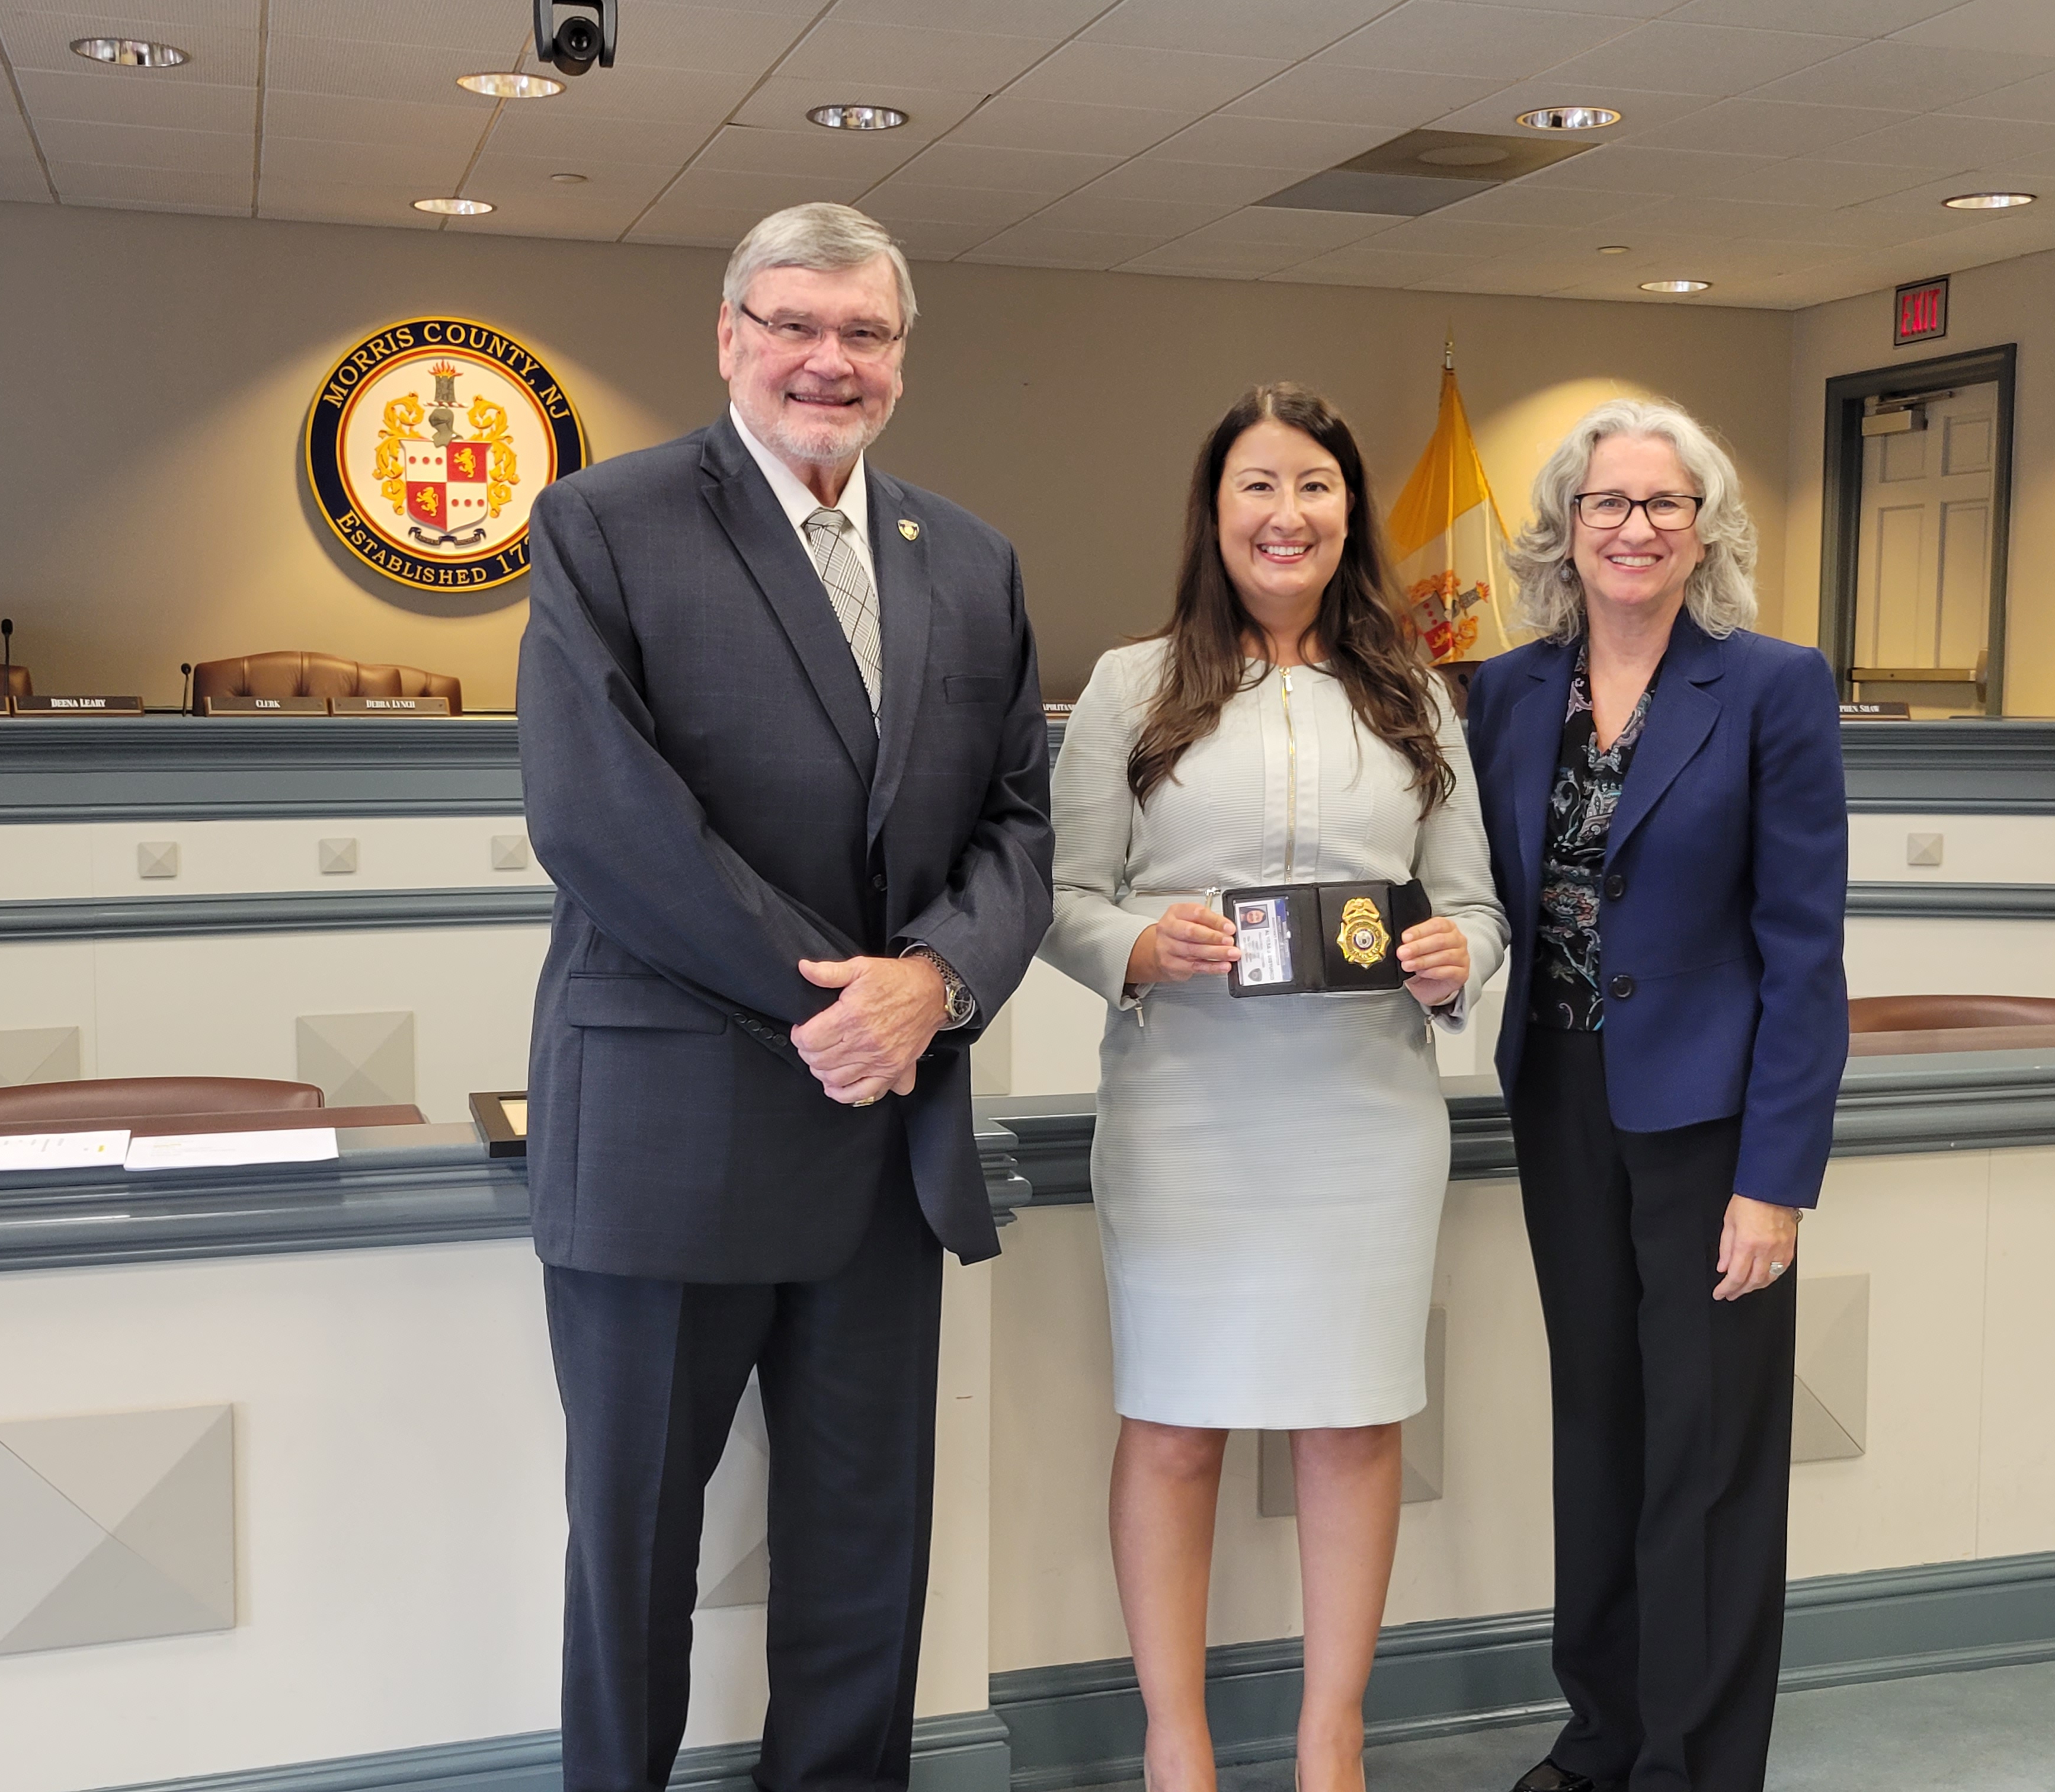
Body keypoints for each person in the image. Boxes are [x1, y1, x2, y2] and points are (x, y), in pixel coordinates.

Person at [517, 203, 1053, 1792]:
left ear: (900, 356)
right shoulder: (605, 525)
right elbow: (604, 819)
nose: (831, 361)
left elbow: (1019, 823)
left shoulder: (967, 558)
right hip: (672, 1142)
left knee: (863, 1571)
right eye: (797, 325)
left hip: (885, 1153)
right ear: (732, 335)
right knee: (635, 1572)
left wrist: (937, 985)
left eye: (865, 333)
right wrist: (846, 1003)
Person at [1040, 383, 1509, 1792]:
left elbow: (1480, 908)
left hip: (1366, 1114)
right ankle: (1175, 1748)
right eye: (1258, 486)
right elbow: (1061, 899)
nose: (1286, 514)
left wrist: (1450, 954)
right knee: (1174, 1423)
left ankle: (1331, 1746)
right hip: (1188, 1109)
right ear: (1216, 509)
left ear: (1348, 511)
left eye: (1313, 485)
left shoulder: (1417, 694)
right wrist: (1139, 943)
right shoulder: (1130, 688)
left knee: (1355, 1420)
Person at [1462, 399, 1848, 1792]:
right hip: (1562, 1103)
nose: (1633, 529)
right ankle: (1603, 1738)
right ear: (1566, 529)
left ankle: (1694, 1763)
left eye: (1663, 505)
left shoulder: (1771, 684)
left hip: (1711, 1131)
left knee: (1712, 1462)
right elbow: (1475, 891)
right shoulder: (1507, 691)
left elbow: (1806, 949)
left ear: (1705, 532)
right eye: (1607, 504)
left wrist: (1777, 1180)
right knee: (1602, 1435)